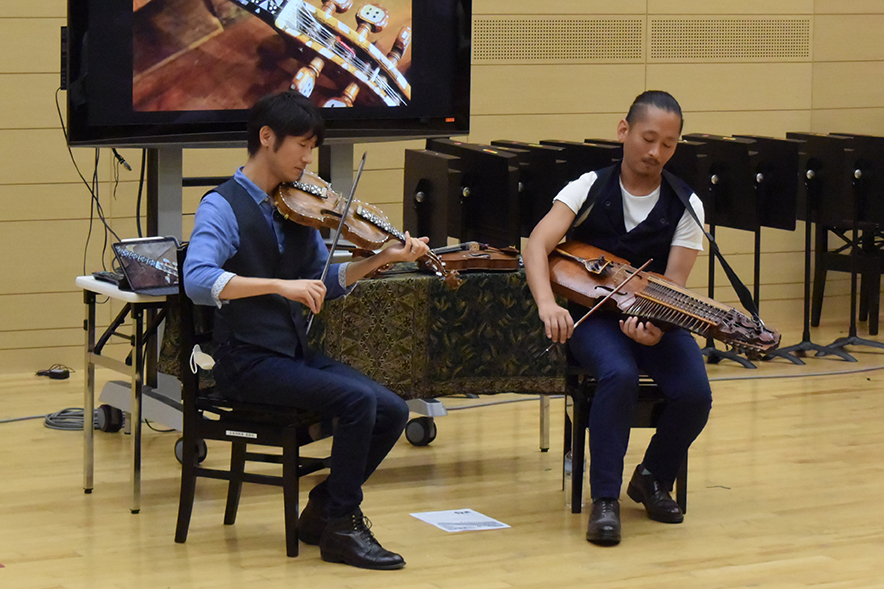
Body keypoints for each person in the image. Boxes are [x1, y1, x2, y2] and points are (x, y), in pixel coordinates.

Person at [183, 90, 430, 569]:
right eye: (302, 144)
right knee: (357, 402)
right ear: (267, 138)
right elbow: (197, 280)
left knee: (393, 409)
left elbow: (324, 284)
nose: (308, 158)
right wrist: (280, 285)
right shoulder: (222, 206)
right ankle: (343, 524)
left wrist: (380, 258)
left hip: (289, 354)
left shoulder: (298, 207)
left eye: (313, 146)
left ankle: (326, 510)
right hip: (246, 362)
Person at [523, 90, 713, 546]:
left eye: (668, 144)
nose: (656, 152)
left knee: (695, 394)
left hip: (653, 317)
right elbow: (536, 244)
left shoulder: (687, 204)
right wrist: (548, 305)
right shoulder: (587, 186)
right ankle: (605, 500)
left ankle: (651, 477)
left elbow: (674, 286)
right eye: (648, 138)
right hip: (593, 319)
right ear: (624, 131)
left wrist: (656, 329)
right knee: (618, 375)